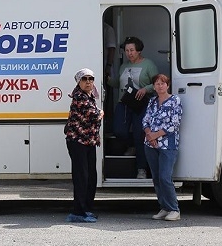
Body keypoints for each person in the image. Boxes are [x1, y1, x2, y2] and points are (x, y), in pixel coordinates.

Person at [107, 36, 158, 179]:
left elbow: (157, 83)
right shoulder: (124, 66)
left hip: (141, 103)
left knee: (140, 134)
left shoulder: (148, 64)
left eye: (132, 50)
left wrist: (145, 89)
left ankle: (141, 169)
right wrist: (107, 79)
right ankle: (132, 145)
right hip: (124, 103)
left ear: (139, 50)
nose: (129, 53)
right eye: (127, 50)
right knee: (119, 131)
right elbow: (118, 83)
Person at [64, 68, 104, 223]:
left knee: (91, 177)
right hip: (78, 142)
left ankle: (86, 209)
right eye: (84, 79)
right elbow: (94, 116)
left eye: (91, 79)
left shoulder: (89, 96)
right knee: (82, 177)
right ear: (78, 82)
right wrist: (101, 112)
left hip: (88, 141)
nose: (88, 82)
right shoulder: (80, 97)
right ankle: (78, 212)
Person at [142, 73, 183, 221]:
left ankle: (174, 209)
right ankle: (164, 207)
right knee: (157, 178)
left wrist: (155, 135)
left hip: (167, 144)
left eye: (163, 83)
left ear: (168, 85)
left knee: (165, 177)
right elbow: (145, 120)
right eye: (157, 84)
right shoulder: (152, 101)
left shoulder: (175, 100)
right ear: (153, 87)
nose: (160, 86)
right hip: (150, 144)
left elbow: (174, 124)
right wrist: (149, 135)